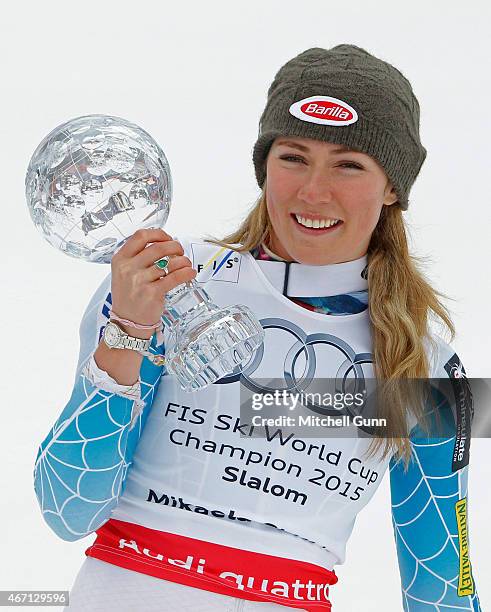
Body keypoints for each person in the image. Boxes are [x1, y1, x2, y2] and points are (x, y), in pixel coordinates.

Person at [33, 45, 481, 611]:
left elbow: (442, 583)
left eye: (349, 164)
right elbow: (65, 510)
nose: (313, 192)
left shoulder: (429, 366)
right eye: (293, 156)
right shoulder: (169, 281)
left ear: (393, 186)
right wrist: (127, 333)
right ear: (265, 165)